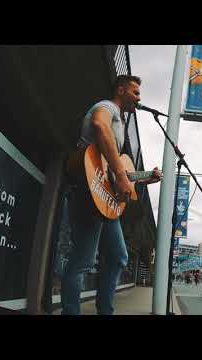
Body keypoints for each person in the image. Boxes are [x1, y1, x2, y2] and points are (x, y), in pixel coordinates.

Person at [61, 75, 162, 315]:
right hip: (89, 193)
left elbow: (119, 176)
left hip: (104, 199)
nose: (139, 98)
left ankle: (105, 311)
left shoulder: (120, 125)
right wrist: (120, 171)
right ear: (120, 89)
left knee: (118, 257)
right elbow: (99, 125)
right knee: (83, 260)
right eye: (135, 92)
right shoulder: (107, 107)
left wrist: (147, 177)